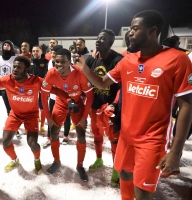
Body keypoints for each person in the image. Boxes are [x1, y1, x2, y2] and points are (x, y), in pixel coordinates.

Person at [74, 10, 192, 199]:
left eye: (135, 29)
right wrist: (85, 68)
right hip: (126, 136)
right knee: (125, 174)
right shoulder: (128, 60)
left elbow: (186, 105)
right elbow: (103, 82)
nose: (130, 33)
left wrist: (176, 152)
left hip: (153, 140)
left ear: (152, 31)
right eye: (129, 29)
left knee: (143, 191)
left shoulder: (177, 59)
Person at [0, 56, 70, 174]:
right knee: (5, 142)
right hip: (15, 115)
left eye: (19, 67)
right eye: (14, 66)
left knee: (32, 143)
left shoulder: (36, 81)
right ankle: (15, 160)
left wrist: (69, 100)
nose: (15, 69)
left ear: (26, 70)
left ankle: (37, 159)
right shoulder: (7, 80)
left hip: (31, 115)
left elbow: (56, 90)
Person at [41, 48, 94, 181]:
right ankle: (56, 161)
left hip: (78, 103)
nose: (58, 65)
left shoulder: (79, 73)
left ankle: (80, 165)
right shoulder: (51, 73)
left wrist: (83, 118)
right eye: (56, 61)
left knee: (81, 135)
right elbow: (43, 95)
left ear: (69, 62)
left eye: (62, 62)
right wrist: (48, 118)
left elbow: (90, 95)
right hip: (60, 103)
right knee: (53, 132)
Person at [85, 29, 123, 187]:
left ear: (111, 43)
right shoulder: (91, 60)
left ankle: (117, 169)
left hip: (110, 107)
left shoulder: (118, 60)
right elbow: (84, 81)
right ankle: (99, 159)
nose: (98, 41)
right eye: (98, 38)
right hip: (95, 106)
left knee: (115, 141)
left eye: (103, 39)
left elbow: (123, 87)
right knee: (96, 134)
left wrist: (114, 104)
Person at [41, 45, 72, 148]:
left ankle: (66, 136)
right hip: (53, 95)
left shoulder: (67, 65)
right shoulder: (49, 63)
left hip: (65, 96)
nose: (52, 54)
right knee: (51, 117)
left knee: (67, 117)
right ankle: (49, 138)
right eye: (52, 52)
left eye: (55, 53)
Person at [0, 40, 21, 139]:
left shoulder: (15, 58)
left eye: (8, 45)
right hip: (3, 88)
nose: (6, 46)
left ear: (11, 47)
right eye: (4, 45)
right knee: (9, 109)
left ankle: (15, 126)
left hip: (14, 89)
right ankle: (14, 128)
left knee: (15, 109)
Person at [29, 45, 49, 132]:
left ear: (41, 52)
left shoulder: (46, 62)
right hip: (31, 88)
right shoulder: (29, 62)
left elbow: (49, 75)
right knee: (32, 106)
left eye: (37, 51)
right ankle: (34, 122)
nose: (35, 53)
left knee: (43, 106)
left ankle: (42, 125)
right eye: (33, 51)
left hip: (42, 87)